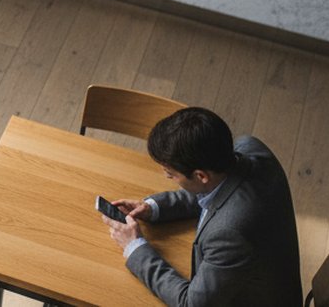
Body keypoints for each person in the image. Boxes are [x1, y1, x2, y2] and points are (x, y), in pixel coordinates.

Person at [101, 107, 302, 307]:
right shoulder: (249, 148)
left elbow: (191, 303)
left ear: (200, 175)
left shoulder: (229, 234)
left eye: (171, 174)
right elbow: (214, 191)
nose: (168, 178)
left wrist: (135, 247)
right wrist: (153, 208)